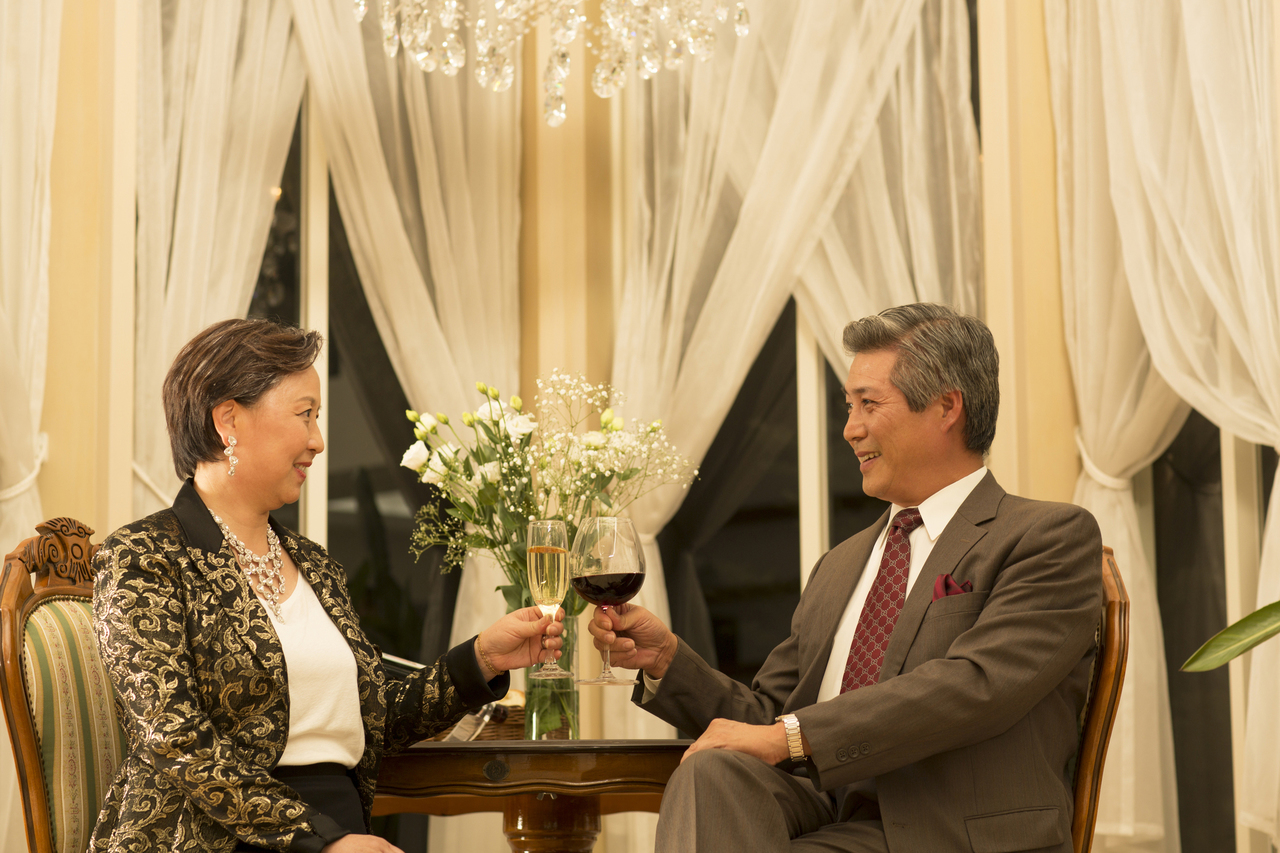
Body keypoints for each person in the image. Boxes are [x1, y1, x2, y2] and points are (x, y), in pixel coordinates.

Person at [589, 303, 1103, 852]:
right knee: (711, 773)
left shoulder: (1047, 536)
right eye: (849, 406)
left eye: (868, 404)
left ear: (946, 407)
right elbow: (769, 719)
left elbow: (975, 685)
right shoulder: (840, 564)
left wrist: (793, 737)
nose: (850, 429)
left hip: (949, 833)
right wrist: (666, 660)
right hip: (823, 821)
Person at [90, 318, 562, 853]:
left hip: (342, 831)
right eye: (305, 414)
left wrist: (483, 659)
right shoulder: (144, 555)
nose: (318, 441)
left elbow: (375, 717)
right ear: (228, 421)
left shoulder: (316, 565)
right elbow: (175, 739)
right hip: (209, 838)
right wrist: (322, 841)